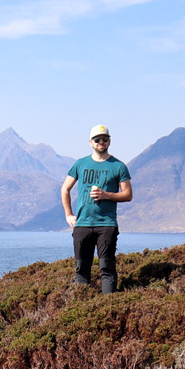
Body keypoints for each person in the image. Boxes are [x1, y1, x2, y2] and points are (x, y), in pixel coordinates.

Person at [61, 125, 132, 293]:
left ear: (109, 141)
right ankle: (82, 309)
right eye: (97, 139)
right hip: (82, 224)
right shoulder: (80, 164)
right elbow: (65, 189)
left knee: (107, 269)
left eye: (105, 139)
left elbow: (128, 194)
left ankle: (109, 309)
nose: (101, 142)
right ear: (90, 142)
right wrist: (68, 214)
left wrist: (106, 195)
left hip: (106, 224)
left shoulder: (118, 166)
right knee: (81, 270)